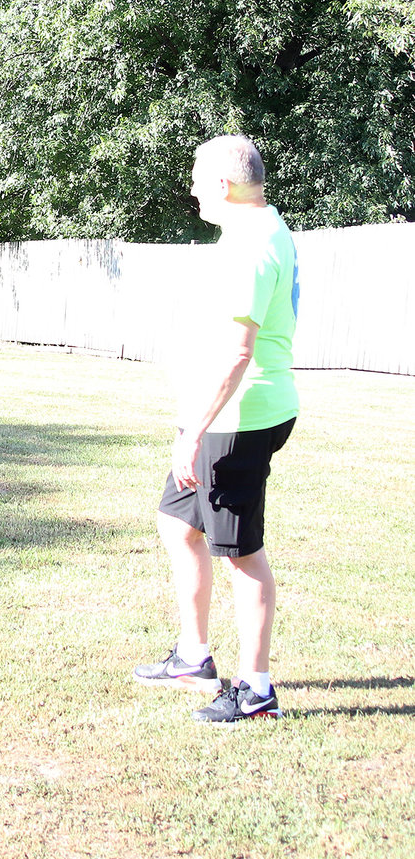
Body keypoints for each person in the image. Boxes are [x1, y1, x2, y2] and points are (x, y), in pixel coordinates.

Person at [132, 134, 300, 724]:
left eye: (199, 180)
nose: (193, 189)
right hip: (222, 417)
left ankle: (256, 691)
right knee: (177, 522)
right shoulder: (260, 229)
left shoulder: (250, 249)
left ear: (224, 187)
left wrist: (193, 431)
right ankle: (193, 656)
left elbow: (237, 355)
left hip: (237, 419)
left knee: (241, 553)